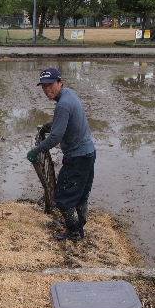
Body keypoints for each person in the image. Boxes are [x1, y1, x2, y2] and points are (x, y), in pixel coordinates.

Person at [27, 67, 96, 241]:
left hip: (77, 158)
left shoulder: (63, 104)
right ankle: (80, 226)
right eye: (43, 86)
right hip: (88, 153)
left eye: (50, 85)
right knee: (80, 194)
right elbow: (64, 123)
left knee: (63, 198)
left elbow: (56, 137)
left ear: (60, 82)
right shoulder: (69, 94)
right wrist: (49, 126)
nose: (47, 90)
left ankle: (74, 232)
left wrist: (36, 150)